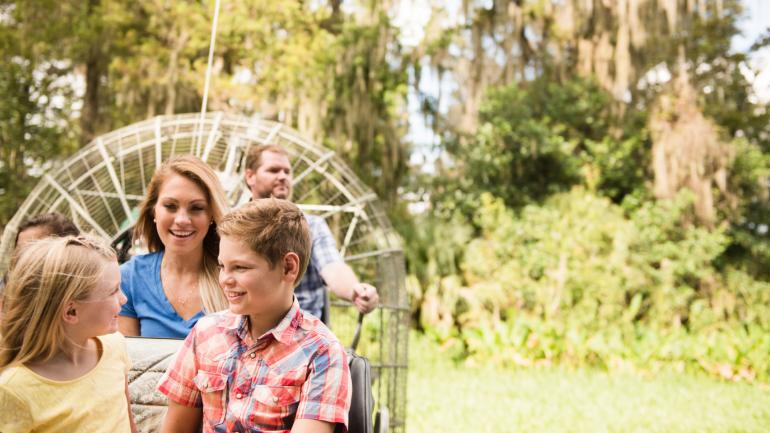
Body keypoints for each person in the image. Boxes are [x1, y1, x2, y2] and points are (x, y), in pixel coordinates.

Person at [158, 199, 352, 433]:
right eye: (222, 266)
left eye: (241, 268)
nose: (225, 280)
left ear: (288, 267)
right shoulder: (205, 333)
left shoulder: (322, 353)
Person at [0, 235, 137, 433]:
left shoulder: (115, 346)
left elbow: (130, 425)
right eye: (113, 291)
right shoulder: (13, 389)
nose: (124, 299)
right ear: (71, 312)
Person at [243, 144, 379, 319]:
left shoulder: (311, 226)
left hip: (303, 336)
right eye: (273, 170)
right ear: (250, 176)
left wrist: (356, 291)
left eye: (287, 171)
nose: (283, 176)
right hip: (248, 333)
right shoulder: (232, 227)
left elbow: (332, 266)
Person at [118, 155, 229, 338]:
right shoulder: (129, 279)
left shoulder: (233, 279)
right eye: (170, 206)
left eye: (196, 208)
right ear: (154, 210)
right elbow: (129, 361)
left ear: (211, 215)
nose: (182, 220)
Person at [0, 212, 80, 315]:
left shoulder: (82, 305)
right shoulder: (6, 289)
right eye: (19, 249)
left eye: (33, 250)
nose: (20, 258)